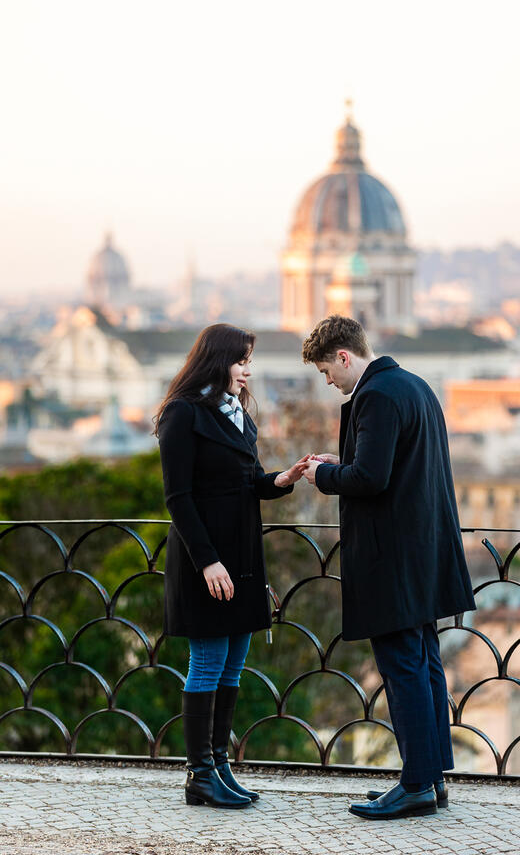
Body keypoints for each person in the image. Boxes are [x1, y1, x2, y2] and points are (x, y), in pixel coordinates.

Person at [301, 315, 475, 820]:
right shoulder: (416, 385)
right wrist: (343, 464)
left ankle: (417, 783)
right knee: (425, 664)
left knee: (402, 669)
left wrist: (322, 474)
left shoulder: (375, 396)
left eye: (326, 372)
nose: (328, 383)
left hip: (392, 557)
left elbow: (370, 478)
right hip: (426, 550)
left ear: (344, 357)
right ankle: (431, 777)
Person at [156, 324, 308, 809]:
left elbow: (246, 484)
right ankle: (199, 775)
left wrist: (281, 479)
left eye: (249, 361)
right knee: (206, 665)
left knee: (233, 667)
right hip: (209, 561)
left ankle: (219, 765)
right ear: (217, 360)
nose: (247, 370)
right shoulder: (183, 414)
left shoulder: (237, 414)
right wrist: (207, 563)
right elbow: (178, 498)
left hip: (243, 559)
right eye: (240, 360)